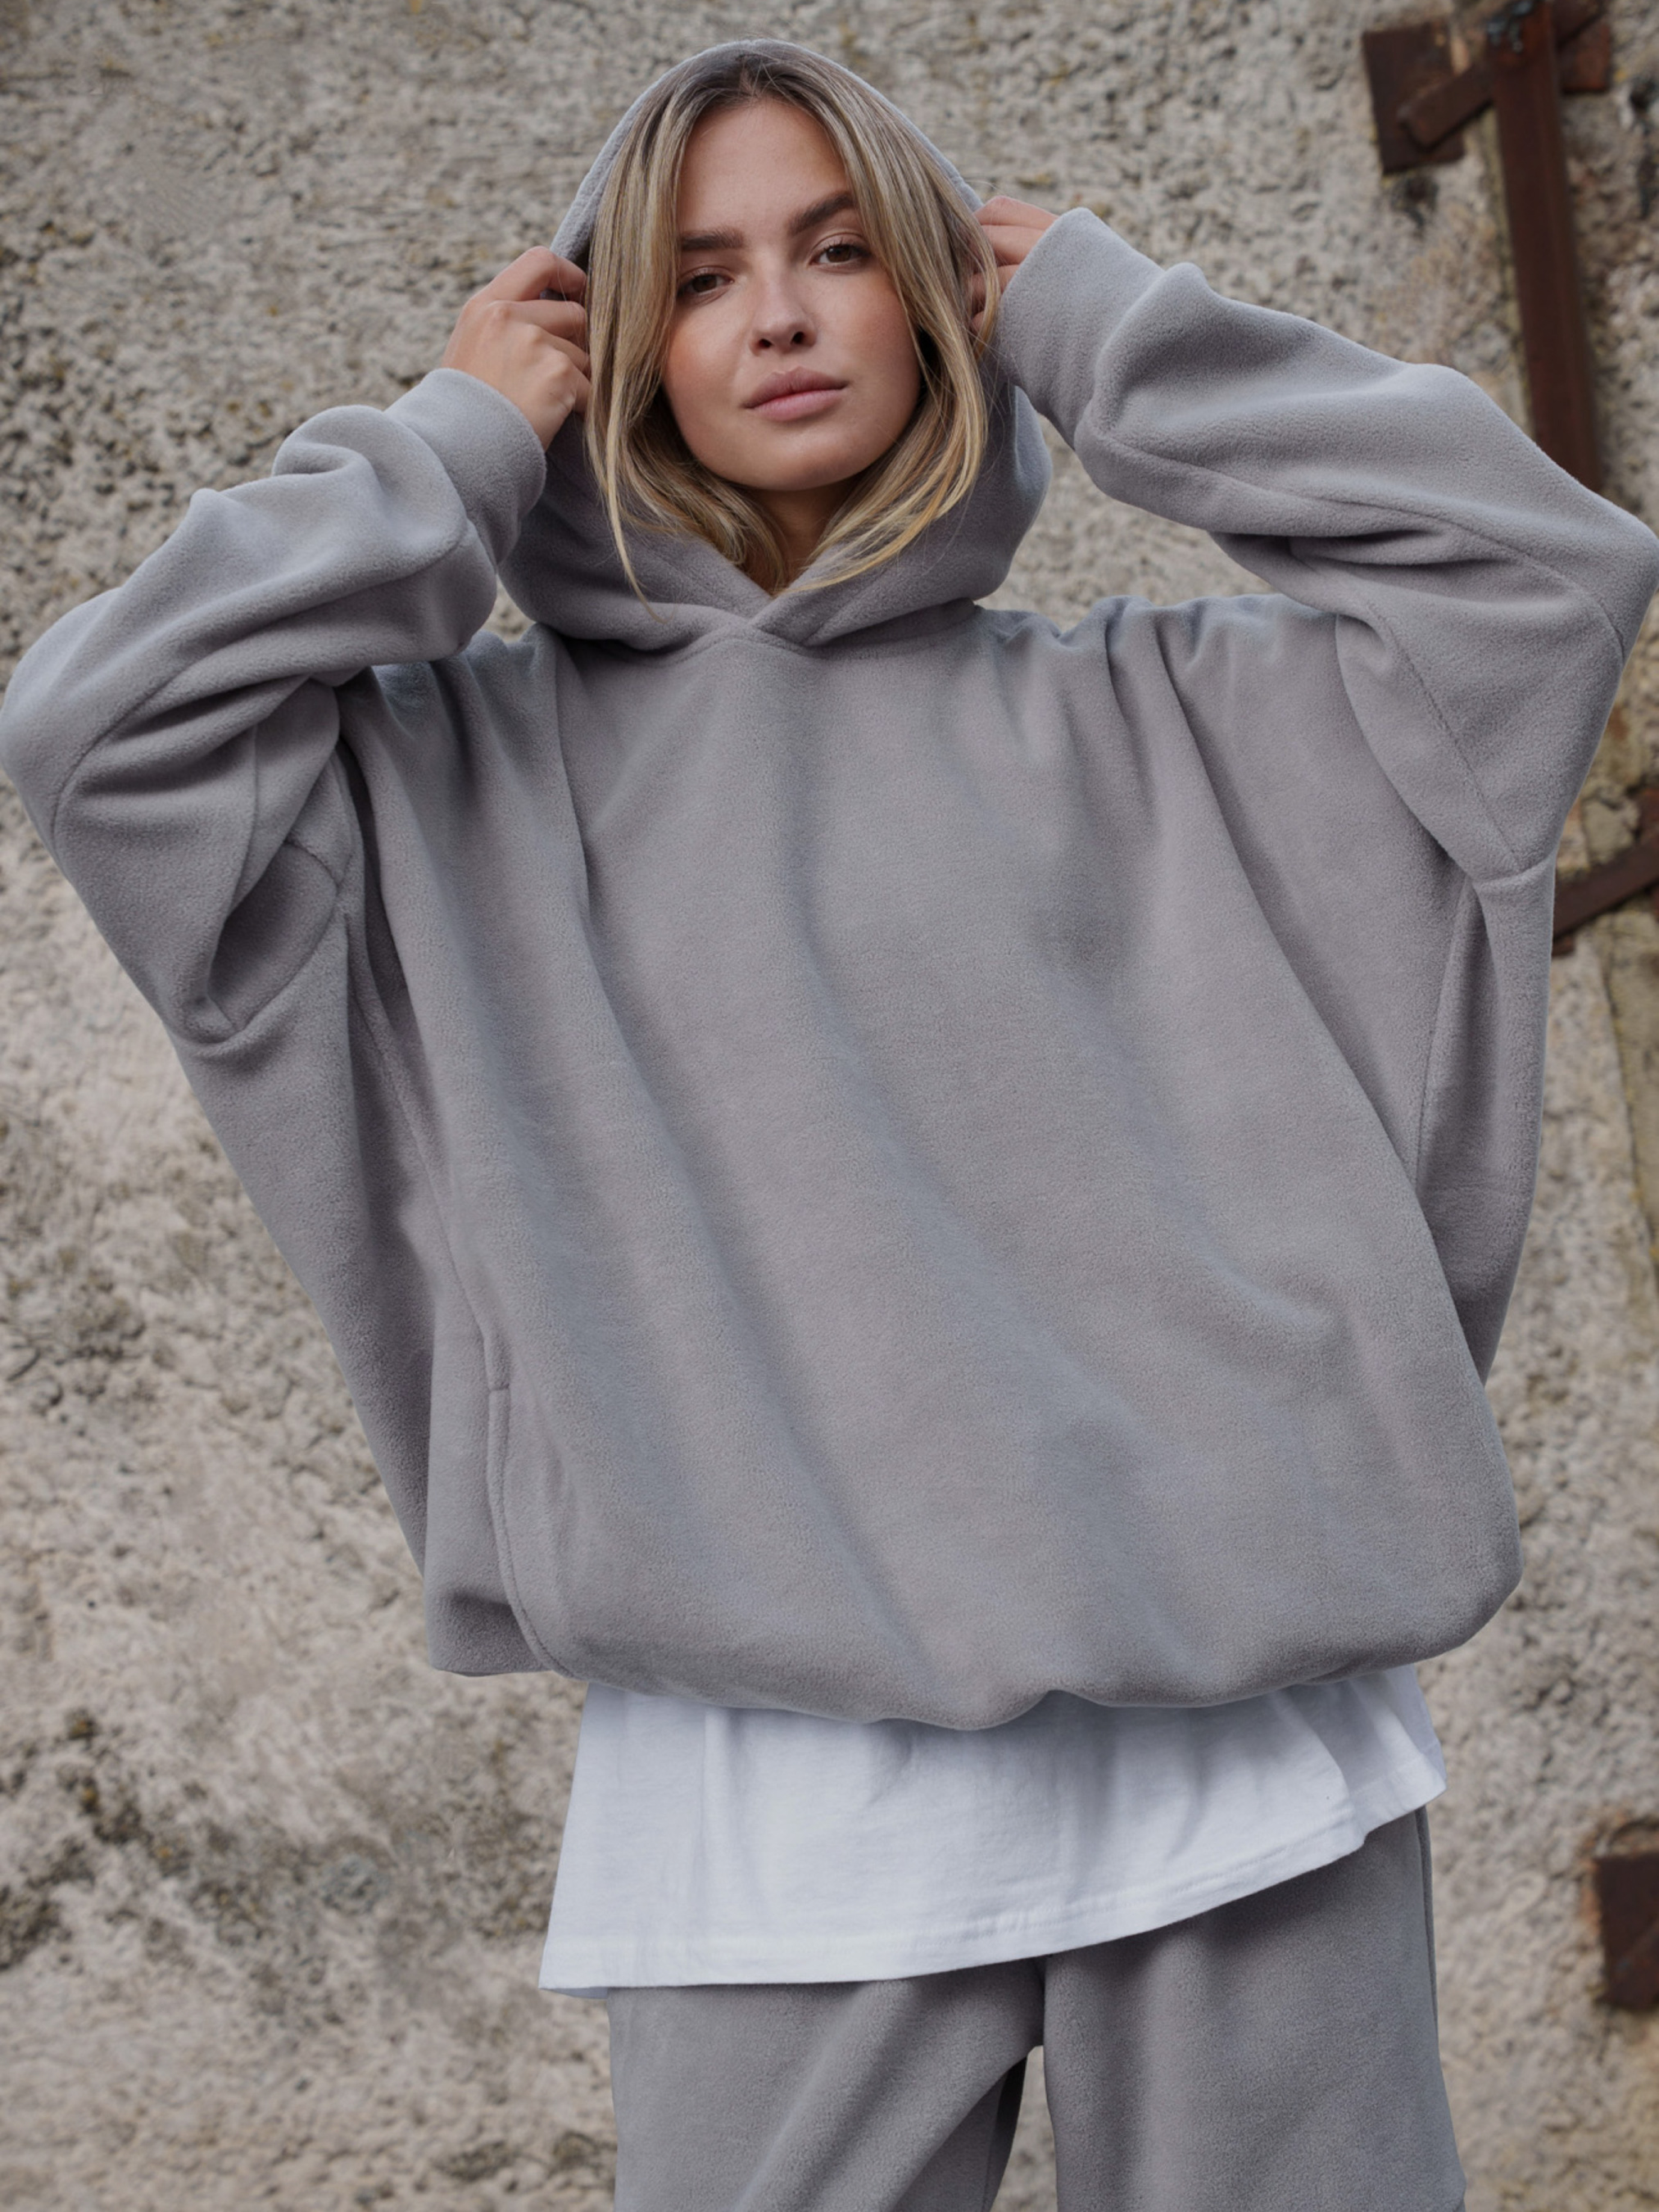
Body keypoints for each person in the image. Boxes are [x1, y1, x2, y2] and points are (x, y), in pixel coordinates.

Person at [2, 34, 1654, 2212]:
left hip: (1240, 1735)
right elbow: (99, 734)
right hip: (765, 1783)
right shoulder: (442, 789)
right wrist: (447, 449)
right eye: (697, 277)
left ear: (944, 298)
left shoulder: (1172, 711)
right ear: (616, 343)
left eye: (841, 248)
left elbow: (1538, 572)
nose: (776, 315)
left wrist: (1108, 328)